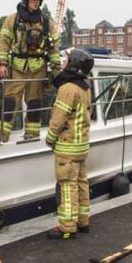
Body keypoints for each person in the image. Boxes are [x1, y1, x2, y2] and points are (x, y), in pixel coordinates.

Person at [0, 0, 61, 144]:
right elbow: (4, 42)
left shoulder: (46, 22)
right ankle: (0, 137)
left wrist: (56, 68)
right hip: (17, 67)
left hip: (38, 68)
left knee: (35, 103)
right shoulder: (13, 19)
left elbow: (54, 47)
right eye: (33, 0)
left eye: (38, 0)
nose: (36, 3)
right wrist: (2, 63)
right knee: (9, 102)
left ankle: (32, 136)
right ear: (26, 0)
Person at [46, 49, 93, 239]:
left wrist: (50, 138)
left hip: (67, 145)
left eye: (68, 59)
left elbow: (59, 117)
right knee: (81, 183)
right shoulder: (85, 87)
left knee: (66, 185)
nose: (64, 61)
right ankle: (83, 221)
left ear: (73, 64)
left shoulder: (67, 89)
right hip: (82, 145)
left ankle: (67, 227)